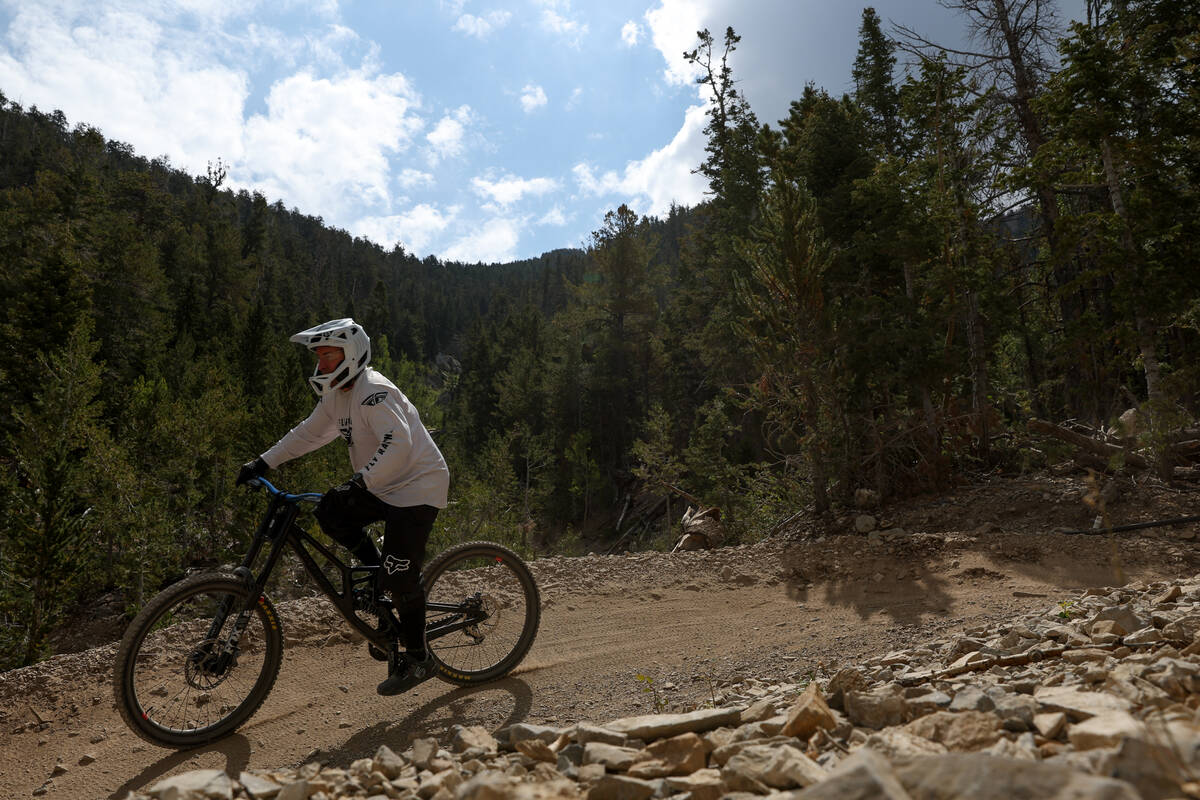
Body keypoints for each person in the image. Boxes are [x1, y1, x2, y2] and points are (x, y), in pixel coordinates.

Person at [236, 318, 450, 696]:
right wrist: (263, 462)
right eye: (318, 358)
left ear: (351, 354)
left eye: (329, 356)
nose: (321, 365)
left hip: (417, 487)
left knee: (400, 576)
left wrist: (359, 481)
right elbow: (309, 432)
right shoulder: (337, 396)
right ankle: (376, 579)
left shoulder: (374, 392)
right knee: (330, 514)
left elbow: (397, 445)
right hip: (382, 482)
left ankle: (420, 658)